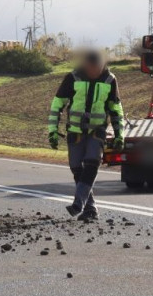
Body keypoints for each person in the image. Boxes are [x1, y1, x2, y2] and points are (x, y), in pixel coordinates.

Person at [47, 50, 125, 221]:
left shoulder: (110, 80)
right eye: (90, 67)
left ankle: (78, 204)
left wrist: (120, 134)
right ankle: (91, 208)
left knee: (92, 163)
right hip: (75, 131)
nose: (93, 71)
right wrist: (52, 130)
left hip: (97, 131)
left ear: (101, 65)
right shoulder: (73, 78)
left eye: (96, 68)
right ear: (85, 65)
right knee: (77, 168)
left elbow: (115, 108)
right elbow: (57, 104)